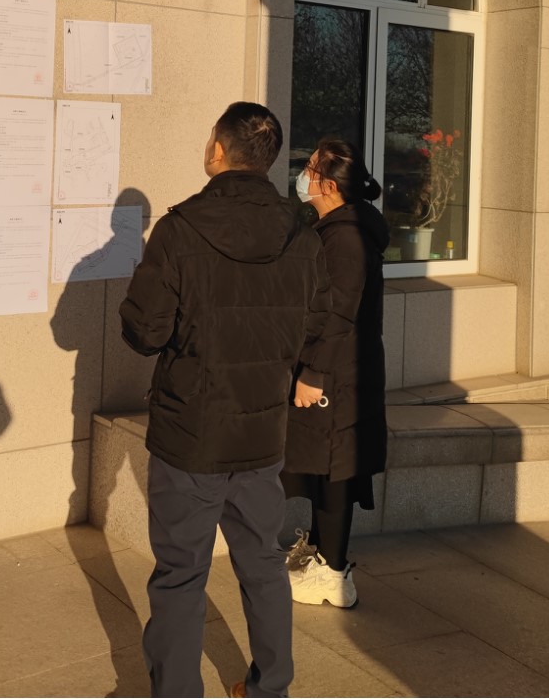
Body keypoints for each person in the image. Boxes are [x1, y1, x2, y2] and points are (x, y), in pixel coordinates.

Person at [120, 102, 339, 699]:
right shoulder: (301, 233)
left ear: (218, 149)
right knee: (263, 563)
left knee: (180, 575)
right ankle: (272, 688)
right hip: (262, 433)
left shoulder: (180, 230)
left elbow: (145, 332)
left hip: (191, 432)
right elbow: (321, 322)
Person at [281, 137, 389, 609]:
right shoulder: (338, 228)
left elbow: (339, 312)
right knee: (325, 465)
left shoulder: (345, 237)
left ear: (327, 185)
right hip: (340, 369)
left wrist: (313, 372)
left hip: (338, 374)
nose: (301, 175)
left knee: (334, 468)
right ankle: (323, 556)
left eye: (309, 168)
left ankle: (333, 571)